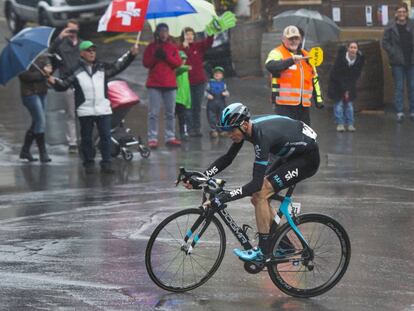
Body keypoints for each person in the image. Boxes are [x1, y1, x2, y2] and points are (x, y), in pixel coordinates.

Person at [183, 103, 320, 261]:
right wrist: (202, 177)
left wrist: (225, 196)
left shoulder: (262, 136)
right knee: (257, 197)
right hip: (291, 155)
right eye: (226, 130)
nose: (229, 134)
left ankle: (263, 251)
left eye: (231, 130)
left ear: (244, 125)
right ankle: (284, 245)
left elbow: (255, 184)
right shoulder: (246, 128)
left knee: (260, 191)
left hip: (306, 159)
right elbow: (228, 158)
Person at [48, 41, 138, 174]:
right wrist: (52, 80)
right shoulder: (75, 70)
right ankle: (89, 162)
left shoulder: (102, 67)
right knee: (87, 138)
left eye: (93, 50)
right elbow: (63, 84)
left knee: (105, 136)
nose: (92, 53)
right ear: (82, 53)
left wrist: (131, 55)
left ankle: (106, 163)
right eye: (88, 50)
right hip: (85, 110)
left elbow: (118, 66)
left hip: (103, 109)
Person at [265, 25, 323, 125]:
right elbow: (270, 66)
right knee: (286, 136)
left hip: (303, 106)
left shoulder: (307, 56)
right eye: (290, 38)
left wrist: (318, 99)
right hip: (284, 106)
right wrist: (291, 61)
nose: (293, 41)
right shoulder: (277, 52)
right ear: (283, 39)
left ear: (300, 40)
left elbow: (314, 79)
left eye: (296, 38)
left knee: (305, 136)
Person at [143, 23, 182, 149]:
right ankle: (152, 138)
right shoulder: (151, 47)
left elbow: (177, 63)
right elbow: (146, 63)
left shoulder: (172, 47)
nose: (164, 33)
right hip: (154, 84)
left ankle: (170, 137)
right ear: (157, 33)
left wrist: (166, 57)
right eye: (161, 31)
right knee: (153, 113)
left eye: (166, 31)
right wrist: (155, 56)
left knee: (170, 113)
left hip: (169, 84)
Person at [49, 19, 80, 153]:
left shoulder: (83, 44)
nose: (72, 32)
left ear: (78, 30)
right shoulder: (61, 45)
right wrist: (60, 37)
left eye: (74, 30)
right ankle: (72, 142)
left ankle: (86, 139)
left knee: (86, 114)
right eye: (69, 29)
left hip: (83, 83)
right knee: (71, 114)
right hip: (68, 84)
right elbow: (50, 52)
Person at [382, 2, 414, 122]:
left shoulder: (412, 24)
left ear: (407, 13)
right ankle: (400, 112)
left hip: (411, 61)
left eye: (404, 12)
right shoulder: (390, 26)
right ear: (396, 13)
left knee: (412, 87)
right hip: (397, 62)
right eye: (399, 12)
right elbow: (384, 42)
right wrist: (393, 52)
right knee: (399, 87)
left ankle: (412, 111)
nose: (402, 14)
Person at [18, 55, 53, 163]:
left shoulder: (41, 58)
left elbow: (48, 69)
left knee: (37, 122)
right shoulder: (20, 59)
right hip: (30, 94)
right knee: (40, 121)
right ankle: (43, 153)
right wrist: (41, 73)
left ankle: (25, 151)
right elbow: (24, 76)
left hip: (42, 92)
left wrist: (49, 69)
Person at [328, 42, 365, 132]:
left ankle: (350, 124)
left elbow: (356, 75)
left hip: (350, 84)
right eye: (351, 47)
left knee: (349, 104)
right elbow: (335, 74)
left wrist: (348, 89)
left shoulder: (358, 61)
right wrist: (344, 88)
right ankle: (340, 123)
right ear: (348, 49)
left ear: (357, 50)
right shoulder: (340, 59)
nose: (353, 49)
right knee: (339, 104)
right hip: (337, 84)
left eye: (355, 48)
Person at [205, 66, 229, 138]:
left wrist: (226, 93)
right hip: (212, 103)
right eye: (216, 73)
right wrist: (208, 95)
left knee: (222, 116)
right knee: (211, 116)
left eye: (219, 73)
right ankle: (213, 129)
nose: (217, 74)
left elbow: (226, 91)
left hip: (221, 102)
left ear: (222, 75)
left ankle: (221, 129)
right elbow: (205, 92)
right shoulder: (210, 83)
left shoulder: (223, 84)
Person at [175, 51, 192, 141]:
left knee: (183, 117)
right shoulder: (178, 69)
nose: (183, 61)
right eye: (181, 59)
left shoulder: (185, 70)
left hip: (183, 98)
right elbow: (178, 70)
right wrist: (185, 68)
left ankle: (183, 132)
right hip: (176, 98)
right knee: (173, 116)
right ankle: (171, 133)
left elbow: (186, 86)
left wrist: (188, 100)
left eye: (184, 59)